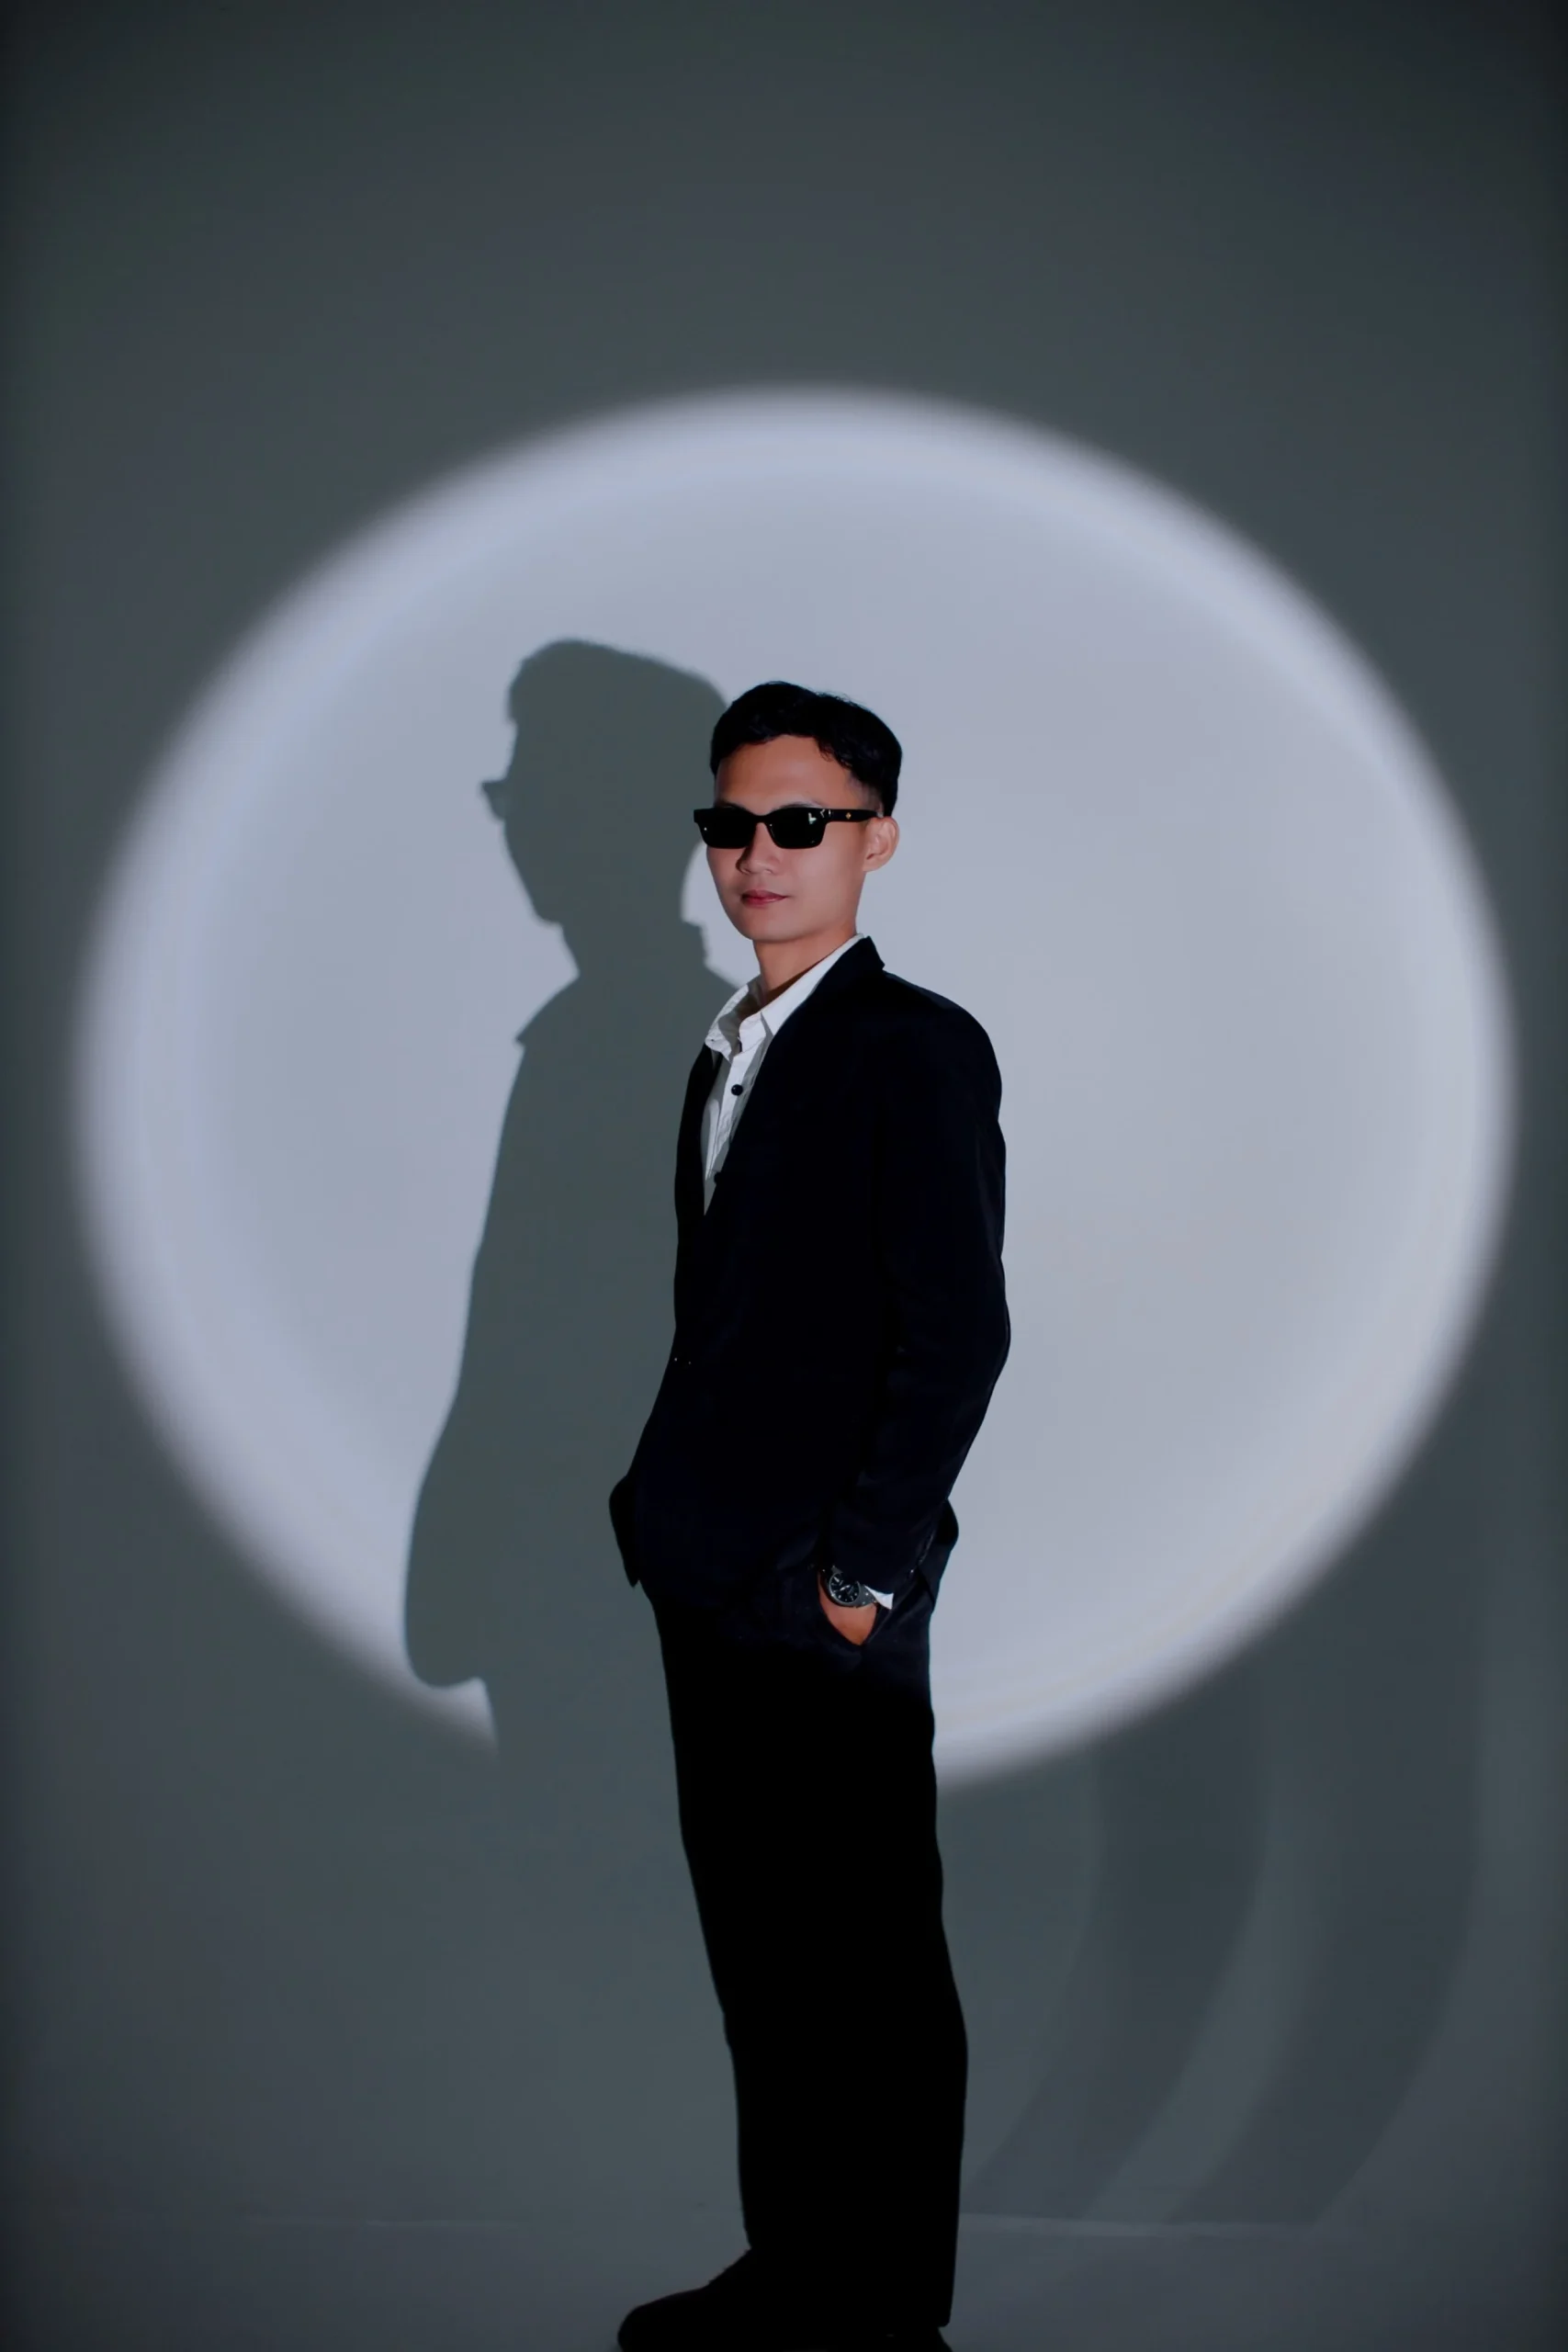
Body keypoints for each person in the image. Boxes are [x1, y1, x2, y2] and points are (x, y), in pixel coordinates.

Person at [608, 681, 1011, 2351]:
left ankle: (884, 2322)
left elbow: (956, 1334)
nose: (754, 854)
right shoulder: (729, 1047)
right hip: (706, 1576)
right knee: (765, 1963)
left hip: (820, 1596)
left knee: (867, 1972)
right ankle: (797, 2279)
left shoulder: (913, 1045)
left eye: (798, 822)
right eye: (731, 822)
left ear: (875, 839)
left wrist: (857, 1575)